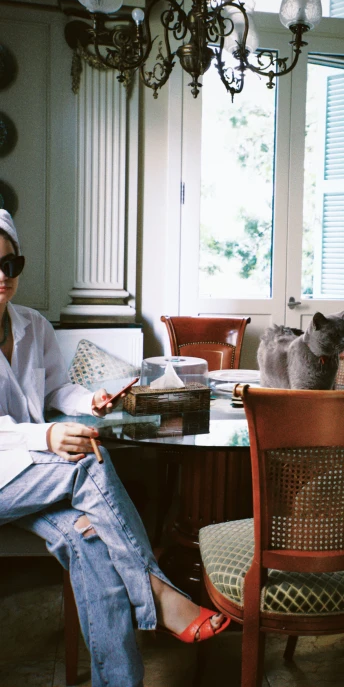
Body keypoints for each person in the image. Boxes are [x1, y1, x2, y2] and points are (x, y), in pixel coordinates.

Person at [0, 210, 229, 687]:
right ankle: (159, 590)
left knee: (90, 540)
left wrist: (91, 401)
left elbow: (54, 391)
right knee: (85, 463)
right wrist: (45, 436)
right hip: (9, 476)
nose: (3, 277)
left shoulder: (33, 326)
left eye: (11, 265)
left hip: (32, 474)